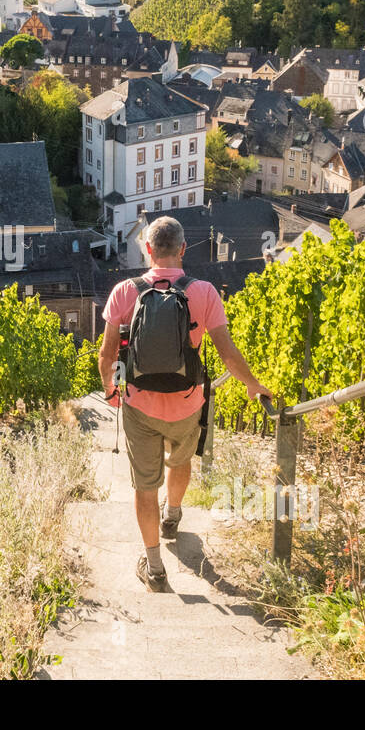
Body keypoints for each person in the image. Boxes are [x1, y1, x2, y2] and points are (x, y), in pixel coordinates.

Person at [98, 216, 272, 593]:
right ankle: (173, 514)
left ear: (147, 250)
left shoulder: (124, 291)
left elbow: (106, 354)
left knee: (144, 488)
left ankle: (156, 567)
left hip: (140, 407)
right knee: (180, 461)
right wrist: (254, 386)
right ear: (182, 250)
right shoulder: (205, 292)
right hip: (187, 403)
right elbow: (227, 354)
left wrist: (112, 392)